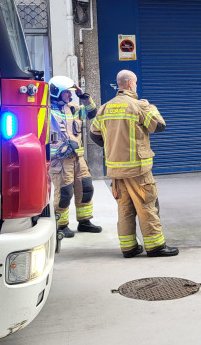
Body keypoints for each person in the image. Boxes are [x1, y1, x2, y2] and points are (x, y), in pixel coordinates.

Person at [89, 70, 178, 258]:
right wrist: (151, 107)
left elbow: (93, 134)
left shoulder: (105, 108)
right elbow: (159, 126)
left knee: (125, 209)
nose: (135, 86)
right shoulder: (139, 106)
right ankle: (155, 247)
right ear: (130, 84)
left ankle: (129, 248)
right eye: (135, 83)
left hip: (116, 171)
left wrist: (113, 148)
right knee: (147, 206)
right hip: (138, 170)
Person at [48, 76, 102, 238]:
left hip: (78, 158)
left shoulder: (73, 108)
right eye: (66, 93)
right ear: (56, 92)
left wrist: (83, 96)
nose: (70, 96)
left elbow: (92, 112)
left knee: (86, 188)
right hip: (61, 160)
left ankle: (84, 221)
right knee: (65, 193)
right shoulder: (46, 111)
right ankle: (61, 224)